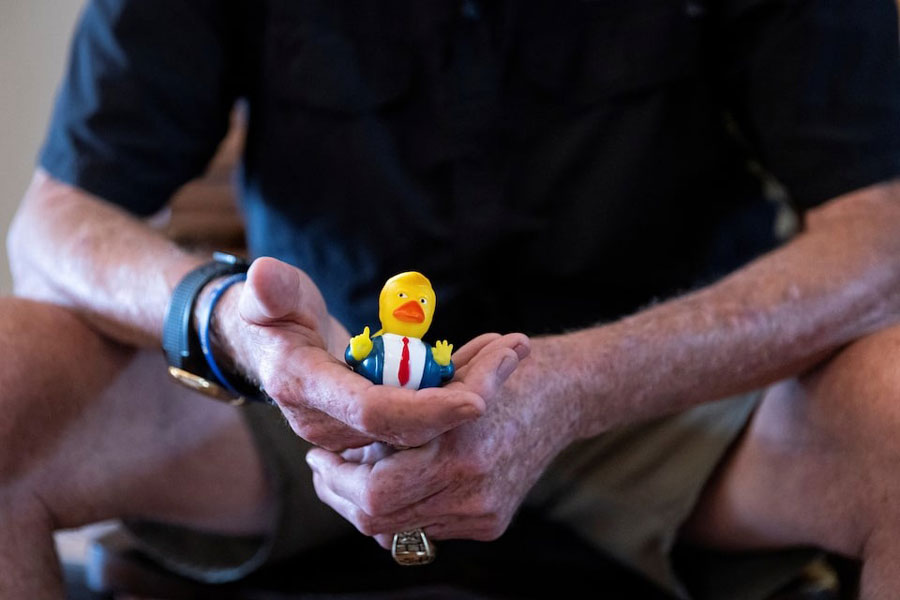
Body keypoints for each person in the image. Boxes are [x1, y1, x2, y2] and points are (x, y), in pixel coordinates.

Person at [3, 0, 900, 598]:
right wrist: (230, 326)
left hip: (672, 403)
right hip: (310, 397)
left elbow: (881, 232)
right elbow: (56, 221)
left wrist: (582, 384)